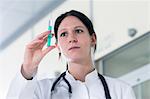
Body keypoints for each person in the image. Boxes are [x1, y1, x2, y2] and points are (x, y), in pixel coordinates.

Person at [7, 10, 136, 99]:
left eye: (78, 31)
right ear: (57, 45)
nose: (71, 38)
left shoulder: (121, 91)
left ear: (93, 38)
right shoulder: (43, 90)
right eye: (64, 34)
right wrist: (28, 69)